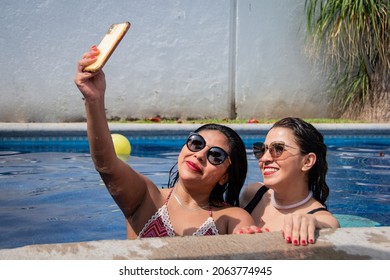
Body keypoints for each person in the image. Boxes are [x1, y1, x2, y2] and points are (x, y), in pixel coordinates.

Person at [74, 46, 255, 239]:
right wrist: (94, 100)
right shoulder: (146, 198)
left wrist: (248, 238)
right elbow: (106, 165)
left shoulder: (231, 218)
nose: (200, 155)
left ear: (225, 177)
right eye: (196, 143)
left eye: (216, 155)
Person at [239, 117, 340, 245]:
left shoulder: (317, 217)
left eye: (278, 149)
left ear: (307, 161)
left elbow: (330, 224)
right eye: (262, 150)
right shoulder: (252, 193)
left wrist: (312, 221)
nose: (264, 159)